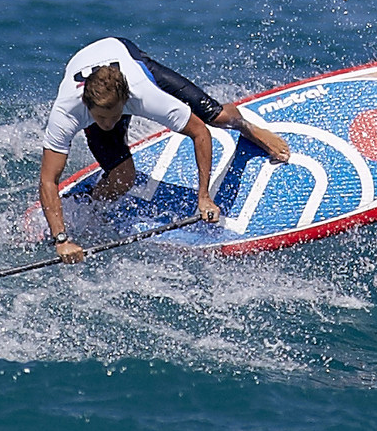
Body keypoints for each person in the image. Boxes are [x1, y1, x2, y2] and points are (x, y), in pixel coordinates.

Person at [39, 37, 290, 263]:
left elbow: (199, 132)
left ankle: (245, 125)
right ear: (86, 104)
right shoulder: (66, 113)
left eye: (115, 116)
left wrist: (203, 196)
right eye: (101, 118)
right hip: (86, 72)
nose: (108, 124)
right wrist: (62, 240)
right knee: (123, 179)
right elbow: (48, 180)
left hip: (124, 54)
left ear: (127, 102)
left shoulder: (144, 94)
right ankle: (92, 203)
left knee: (217, 117)